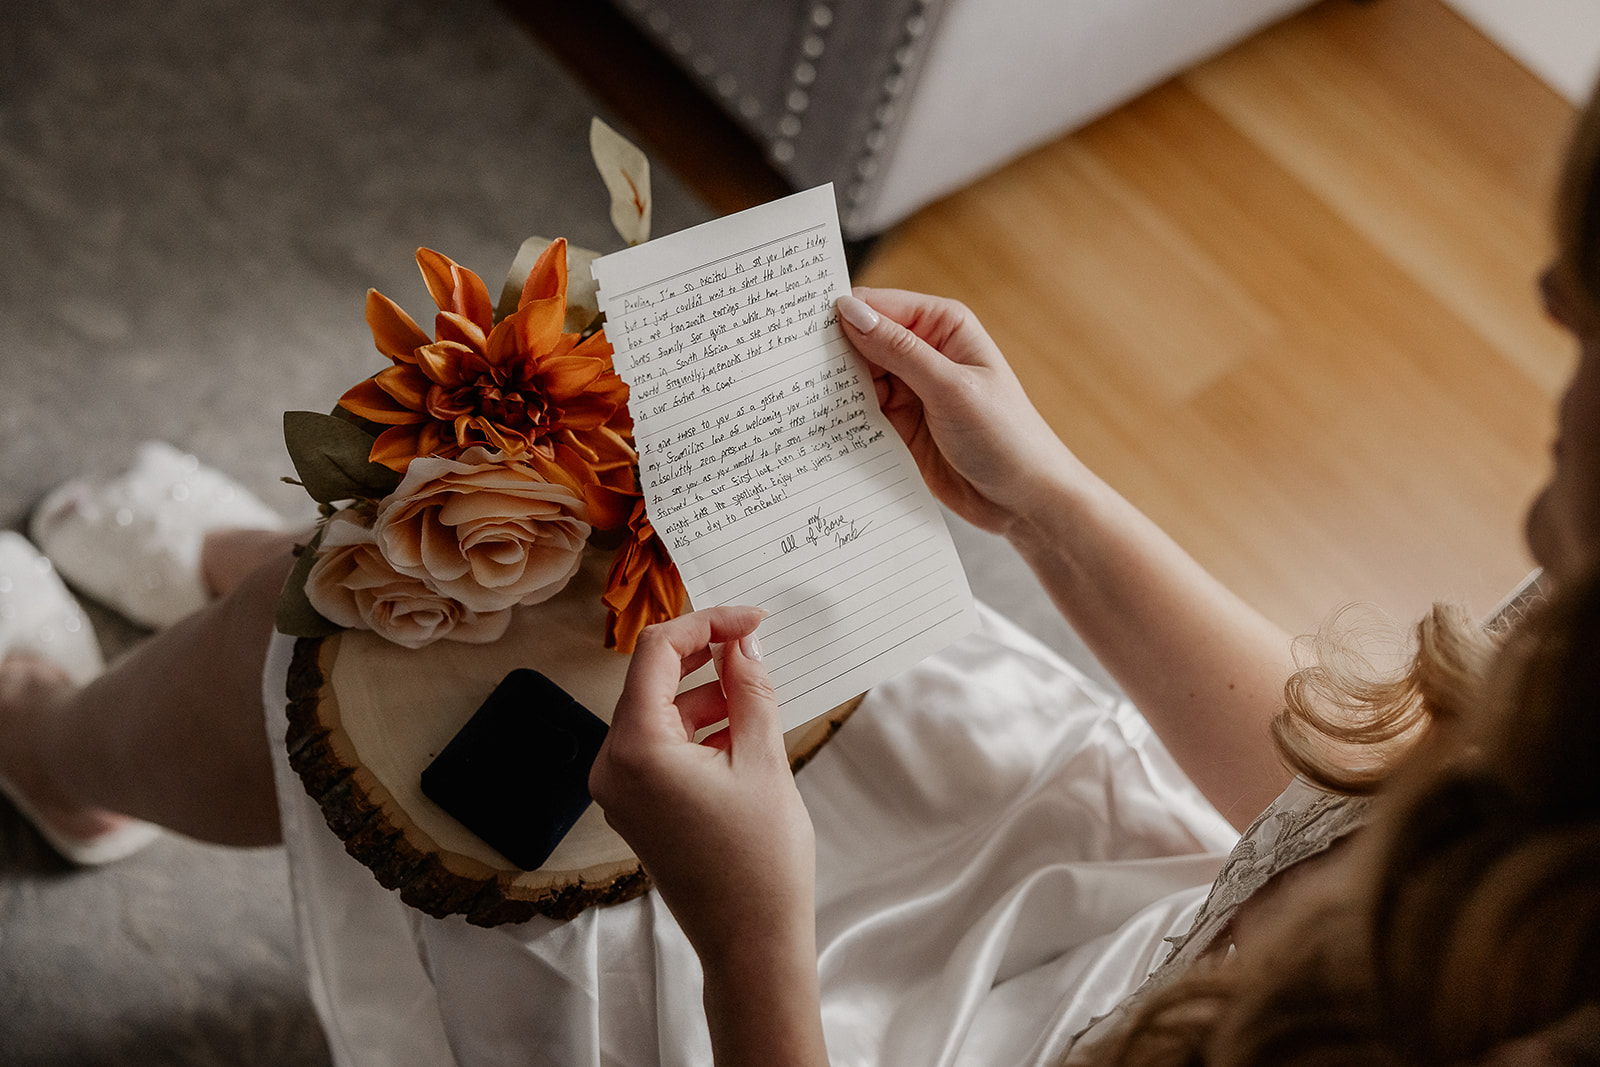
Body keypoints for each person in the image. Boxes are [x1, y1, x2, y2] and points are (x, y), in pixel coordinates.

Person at [2, 83, 1599, 1067]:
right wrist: (1044, 500)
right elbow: (1338, 790)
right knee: (546, 582)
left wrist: (754, 936)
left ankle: (60, 752)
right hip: (1105, 918)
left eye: (1585, 317)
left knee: (351, 676)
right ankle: (269, 585)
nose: (1544, 296)